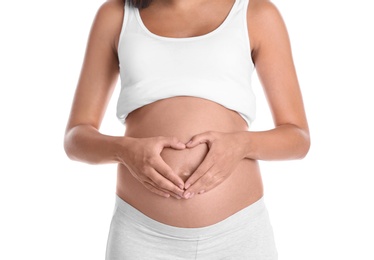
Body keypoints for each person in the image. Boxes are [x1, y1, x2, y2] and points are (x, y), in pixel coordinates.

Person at [64, 0, 310, 258]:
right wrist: (124, 150)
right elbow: (76, 138)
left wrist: (242, 145)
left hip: (238, 235)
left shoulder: (256, 13)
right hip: (142, 236)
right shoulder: (116, 15)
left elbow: (297, 137)